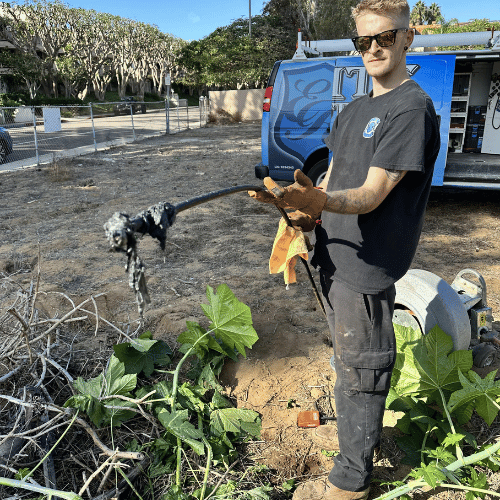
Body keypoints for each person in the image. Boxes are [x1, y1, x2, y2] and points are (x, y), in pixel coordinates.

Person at [249, 0, 441, 498]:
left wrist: (323, 199)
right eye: (363, 40)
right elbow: (336, 174)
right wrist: (304, 213)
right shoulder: (354, 109)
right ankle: (355, 437)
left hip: (366, 262)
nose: (373, 48)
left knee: (365, 368)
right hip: (333, 252)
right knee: (350, 357)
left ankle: (351, 481)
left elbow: (374, 192)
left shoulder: (411, 109)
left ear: (407, 38)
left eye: (385, 37)